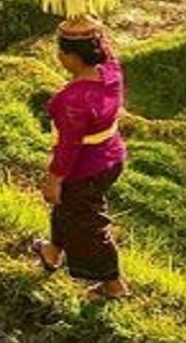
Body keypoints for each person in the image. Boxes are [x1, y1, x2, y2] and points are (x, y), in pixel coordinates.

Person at [30, 16, 128, 299]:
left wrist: (54, 180)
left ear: (71, 57)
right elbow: (105, 49)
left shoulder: (73, 99)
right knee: (69, 208)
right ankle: (52, 251)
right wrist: (83, 18)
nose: (59, 57)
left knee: (87, 224)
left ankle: (114, 285)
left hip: (85, 167)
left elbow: (68, 147)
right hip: (111, 157)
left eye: (61, 52)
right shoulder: (110, 72)